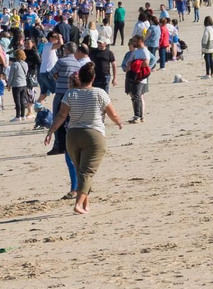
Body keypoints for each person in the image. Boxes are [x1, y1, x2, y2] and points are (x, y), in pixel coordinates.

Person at [47, 63, 123, 216]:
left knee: (80, 170)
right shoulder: (99, 93)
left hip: (73, 135)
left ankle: (86, 204)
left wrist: (51, 131)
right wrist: (119, 123)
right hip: (94, 135)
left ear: (79, 78)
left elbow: (61, 115)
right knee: (87, 171)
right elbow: (112, 114)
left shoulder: (70, 93)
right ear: (93, 78)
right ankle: (78, 204)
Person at [120, 35, 153, 123]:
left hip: (140, 77)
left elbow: (146, 63)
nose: (133, 43)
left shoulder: (144, 51)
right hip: (134, 76)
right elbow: (129, 62)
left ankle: (137, 116)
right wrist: (131, 63)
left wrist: (136, 65)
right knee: (135, 95)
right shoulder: (137, 51)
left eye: (135, 41)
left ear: (140, 41)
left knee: (137, 96)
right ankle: (140, 116)